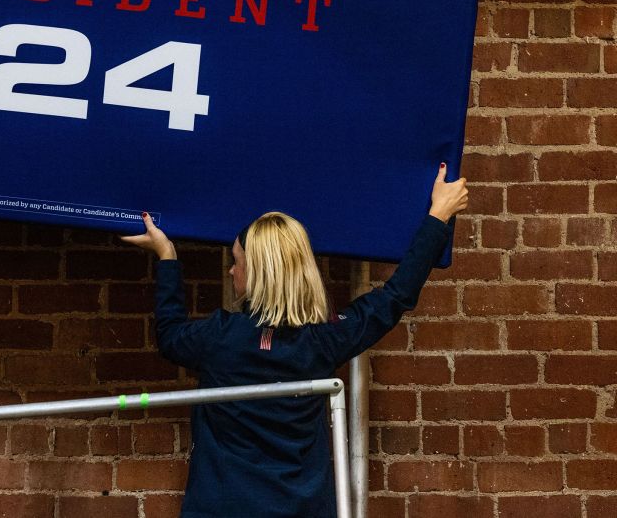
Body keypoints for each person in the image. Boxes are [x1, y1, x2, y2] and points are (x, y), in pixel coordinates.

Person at [122, 164, 468, 518]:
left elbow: (170, 335)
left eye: (236, 262)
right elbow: (395, 296)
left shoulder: (220, 336)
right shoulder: (321, 341)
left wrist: (167, 256)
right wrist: (438, 214)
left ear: (256, 271)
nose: (231, 271)